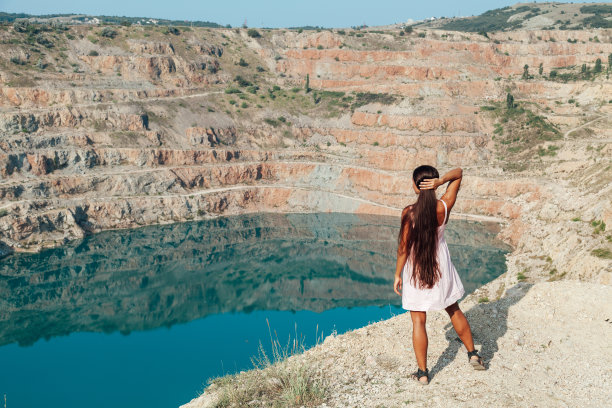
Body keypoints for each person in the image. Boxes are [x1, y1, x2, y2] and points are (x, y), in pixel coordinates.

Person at [393, 165, 485, 385]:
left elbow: (403, 249)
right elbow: (459, 172)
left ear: (416, 186)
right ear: (432, 185)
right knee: (453, 308)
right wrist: (442, 180)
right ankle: (473, 354)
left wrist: (397, 275)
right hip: (440, 267)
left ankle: (423, 373)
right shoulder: (444, 206)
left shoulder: (409, 212)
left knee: (418, 320)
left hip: (416, 270)